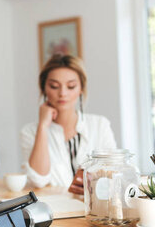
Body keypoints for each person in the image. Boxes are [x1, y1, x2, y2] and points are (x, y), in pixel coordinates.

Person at [20, 54, 117, 193]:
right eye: (54, 86)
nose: (63, 93)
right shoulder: (30, 131)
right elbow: (38, 180)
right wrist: (42, 126)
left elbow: (114, 174)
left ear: (81, 89)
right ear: (44, 88)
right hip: (55, 211)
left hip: (95, 209)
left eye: (71, 86)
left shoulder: (100, 125)